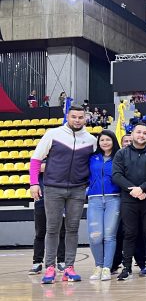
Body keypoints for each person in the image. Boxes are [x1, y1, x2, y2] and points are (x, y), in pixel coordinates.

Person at [29, 105, 96, 284]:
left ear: (85, 118)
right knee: (52, 228)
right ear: (68, 116)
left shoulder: (91, 140)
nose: (77, 120)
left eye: (80, 117)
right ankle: (49, 267)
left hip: (78, 189)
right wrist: (34, 183)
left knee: (72, 229)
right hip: (52, 188)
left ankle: (69, 267)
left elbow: (93, 165)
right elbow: (36, 159)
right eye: (73, 116)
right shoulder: (53, 134)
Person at [111, 123, 146, 279]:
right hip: (129, 199)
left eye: (145, 133)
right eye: (139, 132)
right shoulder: (121, 153)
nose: (142, 135)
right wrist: (133, 190)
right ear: (132, 134)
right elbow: (117, 175)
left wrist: (142, 189)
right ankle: (126, 268)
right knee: (129, 233)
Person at [86, 130, 121, 282]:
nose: (105, 142)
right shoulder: (92, 158)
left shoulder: (119, 157)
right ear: (98, 143)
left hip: (114, 199)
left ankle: (107, 268)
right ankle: (98, 266)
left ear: (113, 141)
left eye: (108, 139)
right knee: (95, 237)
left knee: (109, 236)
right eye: (102, 140)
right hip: (94, 200)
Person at [28, 162, 66, 275]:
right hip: (41, 201)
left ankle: (61, 261)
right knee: (40, 233)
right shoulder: (41, 155)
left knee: (61, 232)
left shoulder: (61, 156)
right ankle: (37, 262)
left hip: (59, 200)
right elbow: (37, 167)